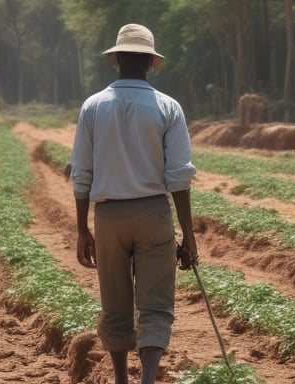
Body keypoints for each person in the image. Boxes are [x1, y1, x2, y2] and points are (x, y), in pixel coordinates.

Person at [69, 23, 198, 384]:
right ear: (150, 63)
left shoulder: (93, 106)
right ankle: (149, 378)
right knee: (155, 304)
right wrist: (188, 234)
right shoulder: (167, 107)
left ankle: (122, 379)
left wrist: (83, 228)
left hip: (109, 216)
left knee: (115, 304)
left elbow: (82, 173)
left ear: (117, 59)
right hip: (153, 212)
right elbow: (179, 176)